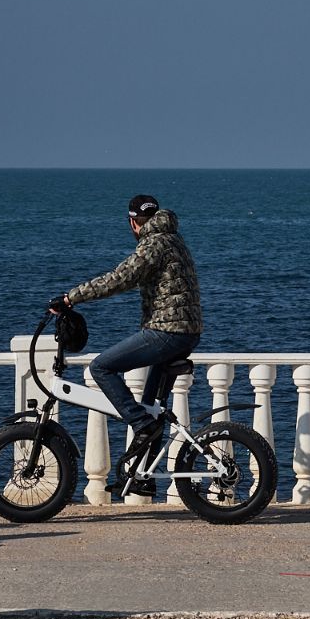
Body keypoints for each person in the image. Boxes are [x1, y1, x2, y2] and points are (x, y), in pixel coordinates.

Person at [56, 194, 203, 456]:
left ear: (133, 222)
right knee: (151, 406)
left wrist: (71, 298)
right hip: (187, 332)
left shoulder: (153, 244)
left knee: (100, 367)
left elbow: (120, 279)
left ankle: (141, 425)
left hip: (167, 331)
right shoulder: (174, 238)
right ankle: (143, 478)